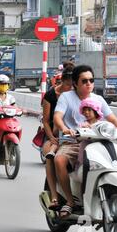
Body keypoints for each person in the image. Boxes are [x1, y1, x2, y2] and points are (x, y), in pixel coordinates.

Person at [53, 65, 117, 218]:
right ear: (75, 83)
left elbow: (112, 118)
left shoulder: (98, 99)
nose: (88, 83)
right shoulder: (66, 97)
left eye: (91, 80)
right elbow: (57, 116)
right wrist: (64, 129)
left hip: (97, 142)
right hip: (74, 142)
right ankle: (70, 201)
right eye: (84, 81)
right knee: (59, 160)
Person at [41, 65, 74, 211]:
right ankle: (54, 196)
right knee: (50, 156)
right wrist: (52, 138)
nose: (70, 88)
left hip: (75, 136)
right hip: (55, 135)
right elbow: (46, 121)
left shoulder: (79, 95)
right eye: (68, 85)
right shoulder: (51, 95)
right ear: (62, 82)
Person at [76, 98, 105, 169]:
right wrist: (82, 131)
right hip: (86, 150)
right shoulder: (83, 125)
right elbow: (78, 138)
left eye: (89, 110)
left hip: (98, 150)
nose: (86, 112)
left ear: (96, 111)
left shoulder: (101, 125)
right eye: (85, 110)